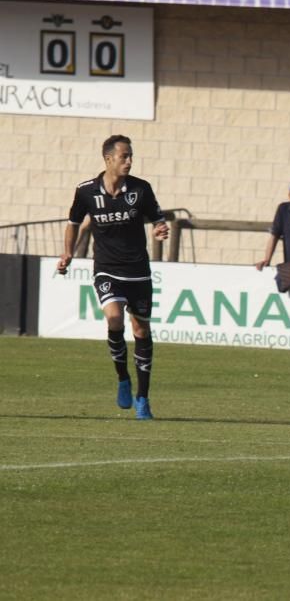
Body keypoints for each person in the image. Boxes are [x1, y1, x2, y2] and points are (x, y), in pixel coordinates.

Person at [56, 135, 168, 420]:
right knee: (114, 319)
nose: (129, 161)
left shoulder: (141, 190)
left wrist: (159, 229)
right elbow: (72, 224)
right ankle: (122, 378)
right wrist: (67, 253)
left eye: (130, 156)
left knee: (141, 330)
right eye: (124, 156)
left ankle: (142, 398)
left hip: (138, 271)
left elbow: (158, 218)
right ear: (108, 159)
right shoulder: (86, 191)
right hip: (106, 268)